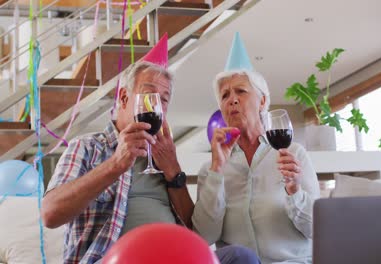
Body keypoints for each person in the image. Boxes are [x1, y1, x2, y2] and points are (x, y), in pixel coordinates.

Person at [42, 34, 259, 264]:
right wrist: (115, 164)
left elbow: (196, 235)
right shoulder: (88, 147)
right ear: (124, 97)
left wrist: (174, 172)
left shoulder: (163, 155)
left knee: (239, 257)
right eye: (149, 94)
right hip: (114, 260)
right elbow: (50, 213)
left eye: (164, 99)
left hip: (172, 258)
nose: (157, 104)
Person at [192, 32, 321, 264]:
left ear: (262, 101)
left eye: (241, 91)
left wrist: (294, 190)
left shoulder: (294, 154)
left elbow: (316, 230)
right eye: (225, 95)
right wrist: (217, 171)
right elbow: (204, 236)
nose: (232, 99)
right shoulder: (210, 169)